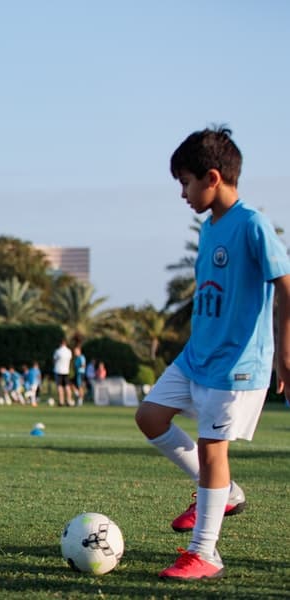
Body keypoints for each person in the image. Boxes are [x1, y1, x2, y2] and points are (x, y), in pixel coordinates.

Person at [135, 127, 290, 580]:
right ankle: (229, 493)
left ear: (213, 177)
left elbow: (285, 286)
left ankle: (205, 553)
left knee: (212, 448)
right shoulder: (209, 228)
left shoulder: (253, 225)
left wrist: (284, 350)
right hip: (195, 356)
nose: (182, 193)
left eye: (186, 182)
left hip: (236, 365)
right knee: (150, 417)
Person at [52, 339, 73, 407]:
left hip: (58, 370)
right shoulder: (69, 351)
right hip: (66, 371)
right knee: (67, 386)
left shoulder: (58, 351)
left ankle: (61, 401)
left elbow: (54, 360)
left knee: (59, 386)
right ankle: (69, 401)